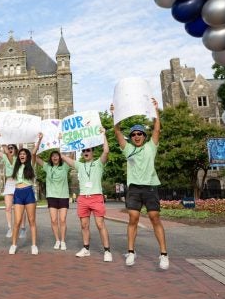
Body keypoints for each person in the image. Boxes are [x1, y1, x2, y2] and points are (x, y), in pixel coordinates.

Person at [111, 98, 168, 270]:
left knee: (154, 217)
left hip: (150, 187)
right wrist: (115, 114)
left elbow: (157, 128)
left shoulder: (151, 147)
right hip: (135, 188)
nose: (136, 136)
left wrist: (155, 110)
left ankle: (164, 254)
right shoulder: (128, 149)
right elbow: (117, 132)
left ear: (144, 136)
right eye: (134, 134)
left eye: (139, 134)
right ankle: (131, 251)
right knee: (133, 218)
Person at [72, 130, 112, 262]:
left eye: (88, 150)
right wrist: (62, 141)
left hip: (96, 197)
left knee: (100, 224)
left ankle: (107, 251)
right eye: (83, 151)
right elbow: (63, 156)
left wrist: (103, 135)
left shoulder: (99, 163)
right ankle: (86, 249)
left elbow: (106, 151)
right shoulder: (79, 165)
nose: (85, 153)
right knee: (84, 225)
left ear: (92, 152)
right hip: (83, 198)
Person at [34, 134, 72, 251]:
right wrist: (39, 140)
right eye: (53, 156)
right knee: (54, 220)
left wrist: (62, 140)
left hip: (63, 196)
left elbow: (70, 154)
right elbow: (34, 156)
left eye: (57, 156)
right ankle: (57, 240)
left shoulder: (65, 166)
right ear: (51, 158)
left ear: (60, 157)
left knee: (62, 220)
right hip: (52, 197)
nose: (55, 157)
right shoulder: (47, 167)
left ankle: (63, 241)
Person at [8, 141, 40, 255]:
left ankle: (34, 245)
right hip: (18, 193)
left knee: (31, 220)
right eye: (20, 154)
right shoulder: (15, 165)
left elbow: (34, 152)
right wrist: (1, 139)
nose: (22, 155)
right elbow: (8, 153)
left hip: (28, 192)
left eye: (24, 154)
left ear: (27, 156)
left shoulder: (31, 164)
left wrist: (39, 140)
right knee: (17, 221)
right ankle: (13, 245)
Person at [0, 143, 26, 239]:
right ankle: (9, 228)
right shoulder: (5, 157)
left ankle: (23, 228)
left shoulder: (18, 158)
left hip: (18, 182)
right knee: (8, 208)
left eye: (11, 148)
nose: (10, 149)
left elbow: (20, 150)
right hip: (9, 183)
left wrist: (20, 146)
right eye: (9, 148)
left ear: (15, 149)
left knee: (20, 208)